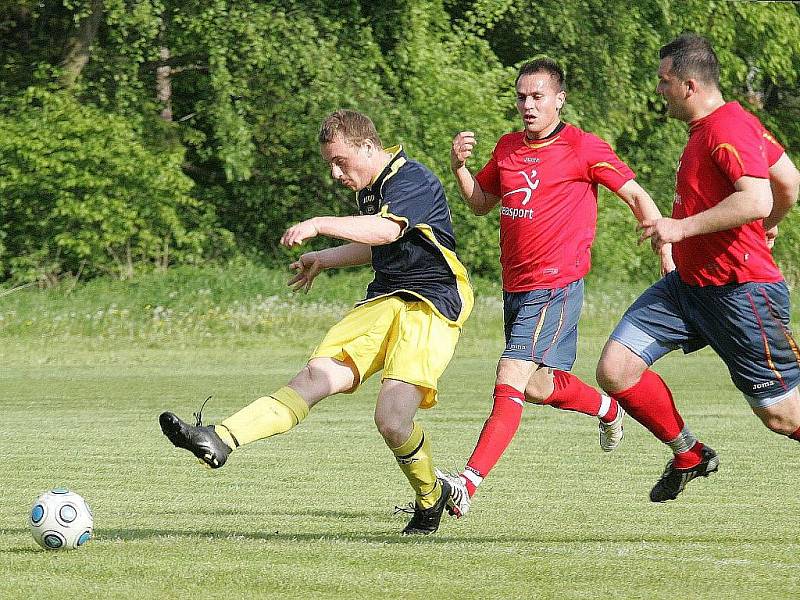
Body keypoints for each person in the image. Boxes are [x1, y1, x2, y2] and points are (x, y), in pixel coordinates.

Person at [159, 109, 474, 535]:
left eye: (340, 162)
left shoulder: (410, 178)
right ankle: (220, 437)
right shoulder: (371, 188)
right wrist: (324, 260)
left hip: (431, 302)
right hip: (386, 298)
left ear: (368, 146)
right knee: (315, 376)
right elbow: (378, 244)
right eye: (330, 163)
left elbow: (384, 231)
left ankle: (431, 498)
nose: (335, 172)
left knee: (392, 421)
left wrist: (318, 225)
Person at [437, 57, 671, 518]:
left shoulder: (583, 147)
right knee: (539, 386)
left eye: (537, 96)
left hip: (555, 284)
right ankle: (606, 408)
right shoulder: (506, 148)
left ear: (559, 100)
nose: (528, 105)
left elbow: (635, 194)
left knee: (510, 375)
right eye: (522, 97)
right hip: (516, 285)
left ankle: (467, 483)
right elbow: (482, 204)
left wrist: (665, 243)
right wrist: (460, 168)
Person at [595, 33, 800, 503]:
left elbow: (759, 195)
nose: (658, 89)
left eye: (663, 81)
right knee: (617, 368)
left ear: (689, 85)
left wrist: (682, 229)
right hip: (687, 288)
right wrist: (771, 225)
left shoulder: (726, 128)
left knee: (783, 417)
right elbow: (788, 179)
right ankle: (689, 454)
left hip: (740, 292)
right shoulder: (723, 125)